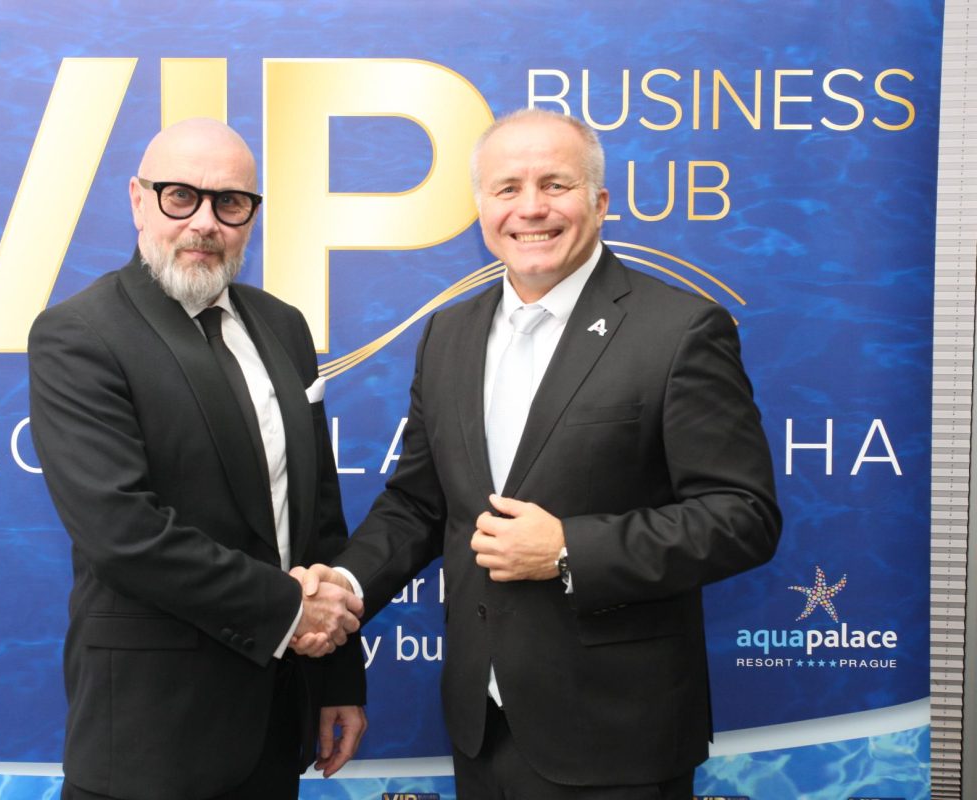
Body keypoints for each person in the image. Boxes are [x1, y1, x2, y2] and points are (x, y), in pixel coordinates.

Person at [300, 108, 781, 799]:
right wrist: (345, 588)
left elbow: (743, 516)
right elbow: (419, 504)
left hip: (617, 736)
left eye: (556, 184)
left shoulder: (680, 330)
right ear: (481, 209)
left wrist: (567, 550)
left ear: (600, 202)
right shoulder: (448, 335)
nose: (531, 208)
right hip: (482, 728)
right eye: (508, 188)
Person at [28, 118, 366, 800]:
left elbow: (316, 516)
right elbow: (123, 532)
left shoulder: (284, 327)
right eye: (180, 196)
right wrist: (290, 611)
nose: (205, 222)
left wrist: (336, 676)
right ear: (138, 199)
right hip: (149, 739)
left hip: (275, 723)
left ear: (251, 216)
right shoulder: (79, 335)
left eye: (230, 203)